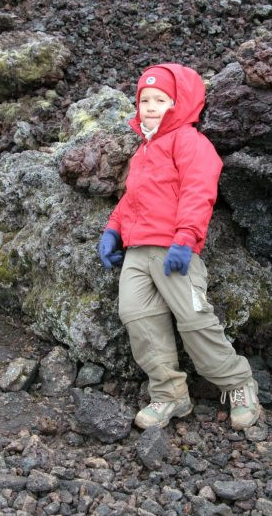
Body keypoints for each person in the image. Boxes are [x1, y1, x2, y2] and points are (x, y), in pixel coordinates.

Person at [99, 63, 261, 430]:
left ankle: (238, 384)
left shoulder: (190, 142)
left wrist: (185, 238)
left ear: (180, 103)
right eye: (145, 100)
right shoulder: (143, 151)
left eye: (161, 100)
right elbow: (131, 200)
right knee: (136, 315)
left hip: (175, 250)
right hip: (137, 253)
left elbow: (199, 192)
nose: (151, 107)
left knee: (194, 320)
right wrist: (112, 230)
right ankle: (170, 395)